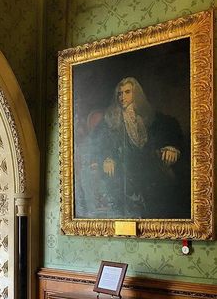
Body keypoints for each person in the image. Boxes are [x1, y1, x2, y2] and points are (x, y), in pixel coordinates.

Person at [79, 76, 189, 219]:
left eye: (127, 92)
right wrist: (106, 158)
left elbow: (169, 132)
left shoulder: (152, 117)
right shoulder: (109, 120)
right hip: (124, 173)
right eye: (119, 93)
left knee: (169, 192)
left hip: (151, 172)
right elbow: (97, 144)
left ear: (136, 93)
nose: (122, 97)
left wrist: (171, 147)